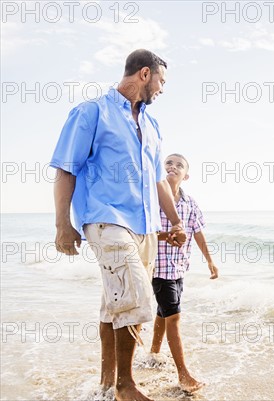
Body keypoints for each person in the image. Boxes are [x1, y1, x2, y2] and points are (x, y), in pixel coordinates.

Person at [51, 49, 185, 401]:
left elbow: (158, 181)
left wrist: (175, 222)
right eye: (161, 81)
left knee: (115, 304)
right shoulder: (92, 112)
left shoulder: (153, 126)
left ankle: (106, 383)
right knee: (137, 299)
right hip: (105, 218)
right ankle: (126, 386)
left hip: (144, 227)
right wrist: (62, 224)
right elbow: (66, 168)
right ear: (144, 74)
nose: (162, 89)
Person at [150, 153, 219, 393]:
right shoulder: (153, 197)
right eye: (168, 163)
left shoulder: (190, 203)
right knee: (174, 316)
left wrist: (210, 261)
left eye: (179, 165)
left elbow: (197, 232)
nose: (173, 167)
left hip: (179, 266)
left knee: (163, 311)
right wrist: (165, 236)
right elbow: (142, 232)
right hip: (157, 267)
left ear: (185, 175)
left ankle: (154, 354)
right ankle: (183, 375)